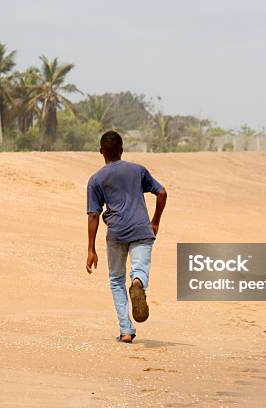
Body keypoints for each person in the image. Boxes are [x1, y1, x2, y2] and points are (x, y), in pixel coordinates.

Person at [86, 130, 167, 343]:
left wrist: (91, 249)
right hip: (141, 228)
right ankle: (138, 283)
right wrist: (156, 220)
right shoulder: (137, 170)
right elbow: (162, 192)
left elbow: (94, 214)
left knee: (116, 279)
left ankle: (125, 331)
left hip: (116, 232)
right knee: (138, 270)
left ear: (101, 151)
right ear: (122, 150)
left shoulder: (96, 179)